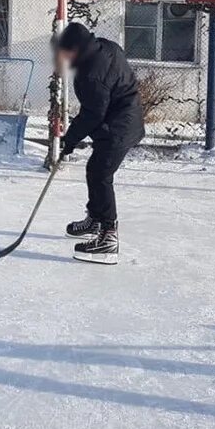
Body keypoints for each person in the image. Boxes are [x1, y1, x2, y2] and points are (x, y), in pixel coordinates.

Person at [56, 22, 145, 265]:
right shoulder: (105, 47)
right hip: (121, 119)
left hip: (119, 127)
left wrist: (69, 140)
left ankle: (108, 237)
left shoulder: (92, 73)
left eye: (66, 51)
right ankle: (95, 219)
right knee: (95, 170)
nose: (63, 56)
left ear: (77, 49)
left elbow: (92, 113)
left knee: (100, 175)